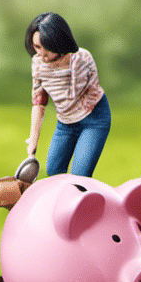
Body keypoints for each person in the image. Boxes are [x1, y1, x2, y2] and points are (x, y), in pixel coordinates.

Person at [25, 12, 111, 178]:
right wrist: (33, 140)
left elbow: (72, 98)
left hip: (93, 118)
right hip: (66, 121)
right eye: (37, 47)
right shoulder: (37, 63)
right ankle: (63, 205)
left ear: (59, 42)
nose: (42, 55)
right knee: (54, 171)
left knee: (80, 175)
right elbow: (39, 102)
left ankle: (85, 202)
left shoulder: (82, 59)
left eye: (47, 47)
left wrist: (59, 67)